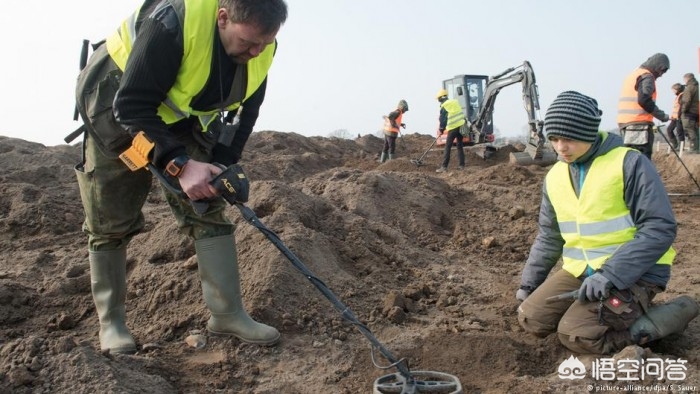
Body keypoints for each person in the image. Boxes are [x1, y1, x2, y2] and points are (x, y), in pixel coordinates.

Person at [73, 0, 288, 354]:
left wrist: (220, 164)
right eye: (248, 42)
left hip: (178, 117)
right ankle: (111, 324)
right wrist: (182, 165)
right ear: (223, 17)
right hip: (117, 106)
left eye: (263, 44)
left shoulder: (262, 47)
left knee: (208, 207)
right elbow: (132, 104)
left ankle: (227, 314)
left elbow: (246, 112)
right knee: (110, 218)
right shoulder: (172, 23)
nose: (255, 51)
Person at [516, 91, 699, 355]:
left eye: (568, 138)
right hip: (583, 271)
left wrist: (611, 274)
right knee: (532, 318)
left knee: (577, 334)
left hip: (636, 273)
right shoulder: (555, 176)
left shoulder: (629, 163)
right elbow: (549, 236)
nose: (560, 147)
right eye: (554, 139)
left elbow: (659, 227)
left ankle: (673, 314)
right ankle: (595, 312)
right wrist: (528, 285)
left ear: (588, 133)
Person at [617, 53, 670, 160]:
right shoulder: (647, 76)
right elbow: (644, 100)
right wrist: (662, 116)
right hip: (639, 125)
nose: (661, 74)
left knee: (630, 161)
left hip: (626, 124)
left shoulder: (634, 75)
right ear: (657, 66)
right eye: (662, 70)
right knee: (642, 162)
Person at [435, 89, 467, 173]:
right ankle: (462, 165)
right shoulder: (455, 102)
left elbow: (443, 119)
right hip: (461, 126)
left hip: (453, 128)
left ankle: (444, 167)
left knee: (447, 147)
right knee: (459, 146)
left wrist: (441, 129)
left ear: (441, 98)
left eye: (439, 99)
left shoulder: (444, 106)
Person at [680, 73, 699, 153]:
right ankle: (696, 147)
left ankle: (694, 148)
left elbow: (687, 101)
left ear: (687, 79)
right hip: (695, 111)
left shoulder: (689, 88)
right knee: (694, 130)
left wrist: (683, 110)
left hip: (689, 112)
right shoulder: (696, 86)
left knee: (689, 129)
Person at [666, 83, 685, 150]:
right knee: (669, 129)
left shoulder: (682, 95)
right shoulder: (678, 96)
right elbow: (675, 108)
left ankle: (681, 147)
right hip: (674, 117)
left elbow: (681, 107)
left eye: (673, 90)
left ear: (677, 89)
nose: (673, 92)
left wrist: (679, 116)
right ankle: (675, 145)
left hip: (679, 117)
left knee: (680, 131)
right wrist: (672, 116)